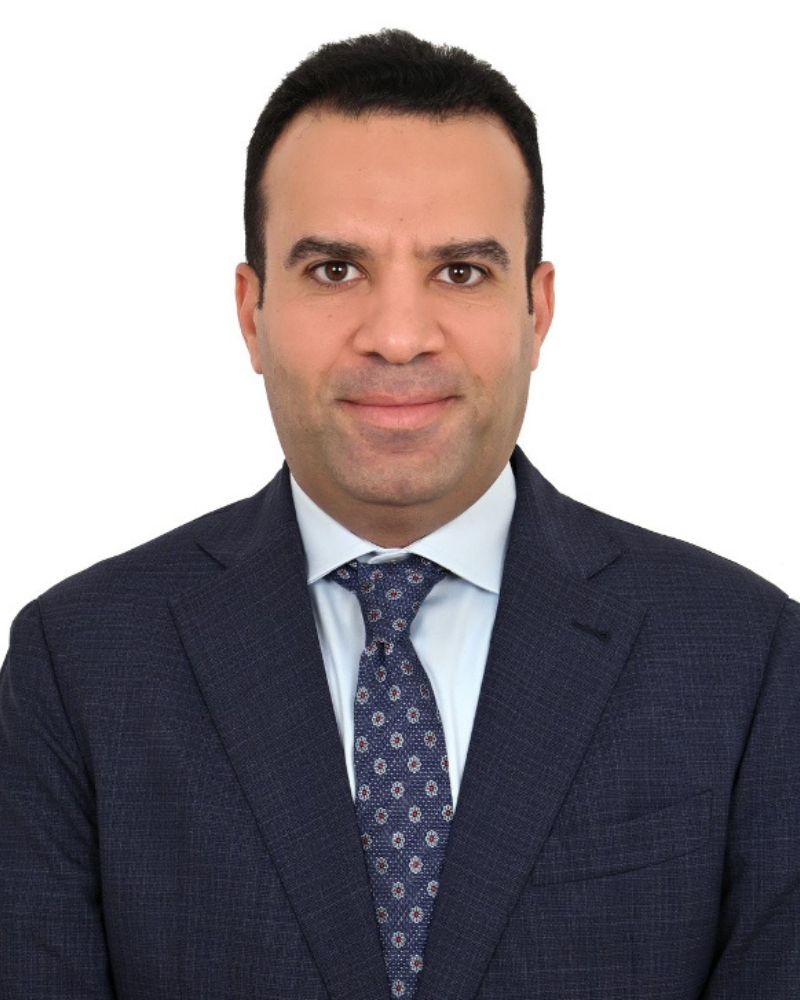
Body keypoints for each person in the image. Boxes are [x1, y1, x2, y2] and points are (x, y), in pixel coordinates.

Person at [1, 27, 797, 1000]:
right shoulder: (77, 665)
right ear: (250, 311)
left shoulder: (745, 658)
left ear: (535, 312)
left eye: (459, 271)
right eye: (334, 269)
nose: (396, 334)